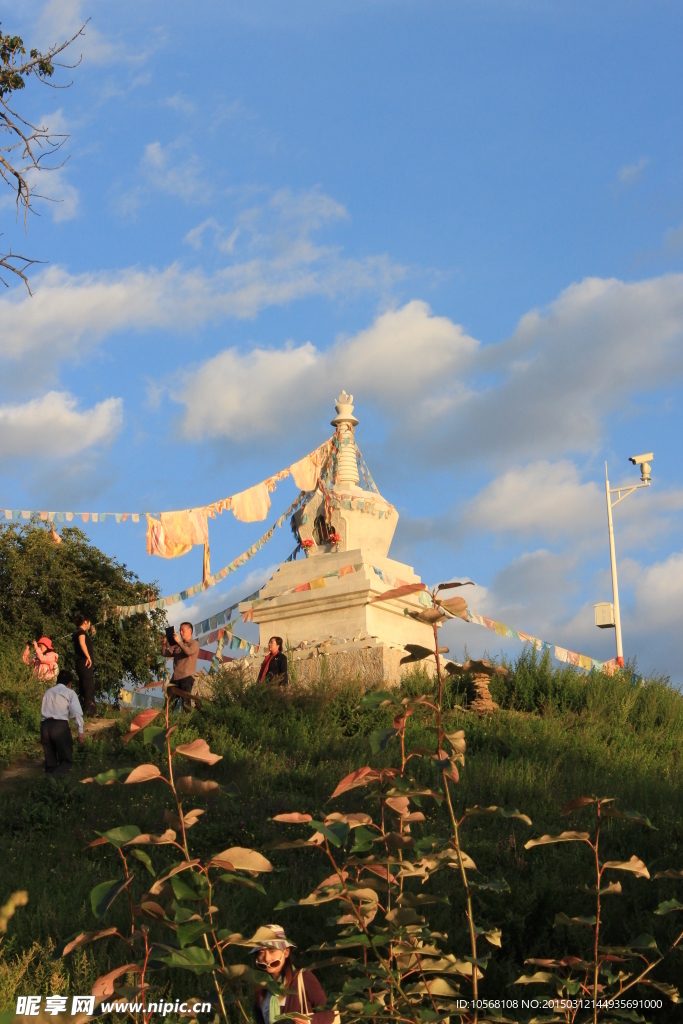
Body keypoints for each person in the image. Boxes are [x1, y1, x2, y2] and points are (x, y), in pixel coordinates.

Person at [252, 925, 334, 1024]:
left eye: (272, 951)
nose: (267, 958)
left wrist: (309, 1022)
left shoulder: (303, 977)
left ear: (286, 952)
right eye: (261, 953)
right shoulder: (261, 987)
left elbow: (329, 1012)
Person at [40, 668, 84, 777]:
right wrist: (80, 732)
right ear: (69, 683)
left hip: (45, 727)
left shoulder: (47, 692)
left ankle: (48, 787)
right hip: (59, 727)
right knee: (66, 761)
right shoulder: (70, 693)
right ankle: (52, 780)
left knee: (50, 764)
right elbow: (76, 713)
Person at [162, 622, 199, 709]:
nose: (181, 632)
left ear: (190, 630)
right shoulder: (177, 646)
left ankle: (187, 722)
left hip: (186, 677)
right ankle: (166, 721)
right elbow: (165, 653)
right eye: (180, 630)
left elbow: (188, 652)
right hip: (175, 678)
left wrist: (179, 641)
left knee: (186, 704)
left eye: (183, 630)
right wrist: (164, 643)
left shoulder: (194, 644)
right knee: (168, 704)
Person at [73, 613, 97, 717]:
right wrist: (88, 657)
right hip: (84, 662)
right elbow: (82, 643)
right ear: (85, 622)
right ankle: (90, 711)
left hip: (81, 663)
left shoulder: (78, 632)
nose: (90, 624)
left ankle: (84, 709)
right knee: (88, 686)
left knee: (84, 686)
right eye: (89, 622)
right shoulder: (81, 633)